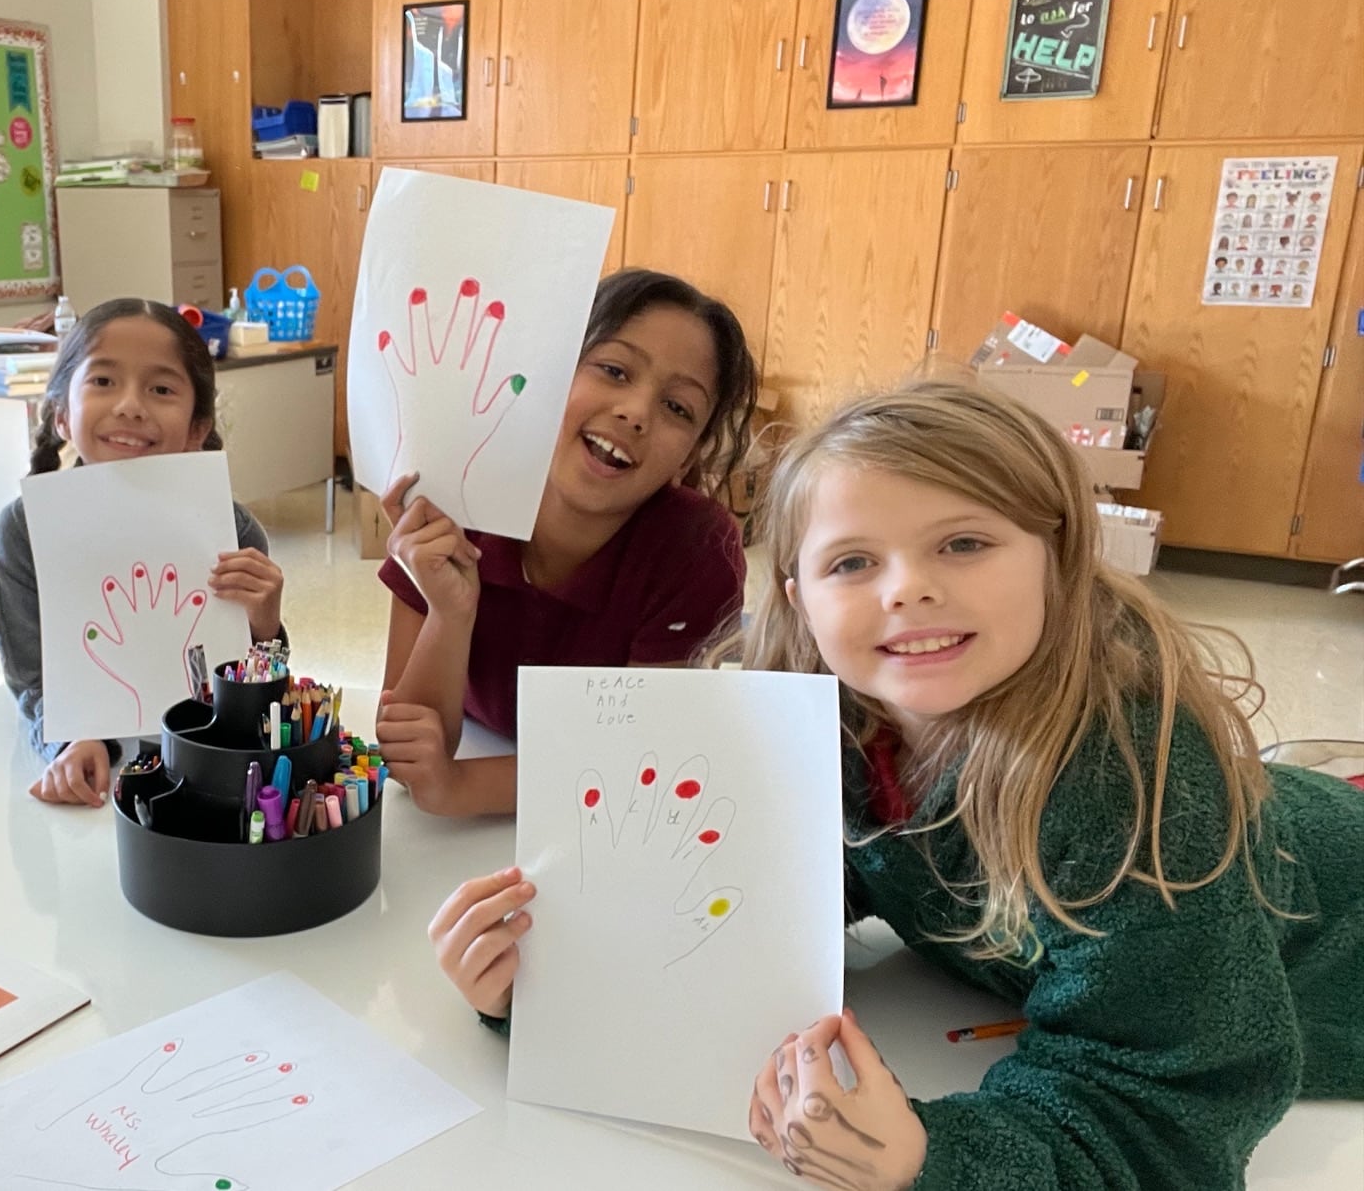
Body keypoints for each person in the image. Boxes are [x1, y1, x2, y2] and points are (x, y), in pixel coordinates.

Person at [429, 381, 1363, 1190]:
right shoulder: (829, 725)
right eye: (852, 561)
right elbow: (738, 922)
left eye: (964, 542)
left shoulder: (1135, 781)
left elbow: (1166, 1109)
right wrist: (552, 988)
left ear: (1060, 555)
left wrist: (930, 1156)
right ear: (796, 596)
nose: (906, 588)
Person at [375, 269, 757, 817]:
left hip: (588, 811)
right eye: (614, 370)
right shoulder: (458, 488)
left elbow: (642, 755)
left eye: (678, 407)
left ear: (690, 455)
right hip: (488, 765)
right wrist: (450, 612)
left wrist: (461, 787)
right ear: (553, 373)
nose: (636, 412)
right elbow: (406, 749)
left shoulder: (698, 547)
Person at [0, 298, 286, 807]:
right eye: (103, 381)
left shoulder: (233, 532)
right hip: (97, 778)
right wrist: (72, 740)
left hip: (203, 771)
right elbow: (31, 676)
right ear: (61, 414)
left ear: (197, 427)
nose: (130, 405)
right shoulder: (25, 529)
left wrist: (265, 624)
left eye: (162, 389)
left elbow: (256, 687)